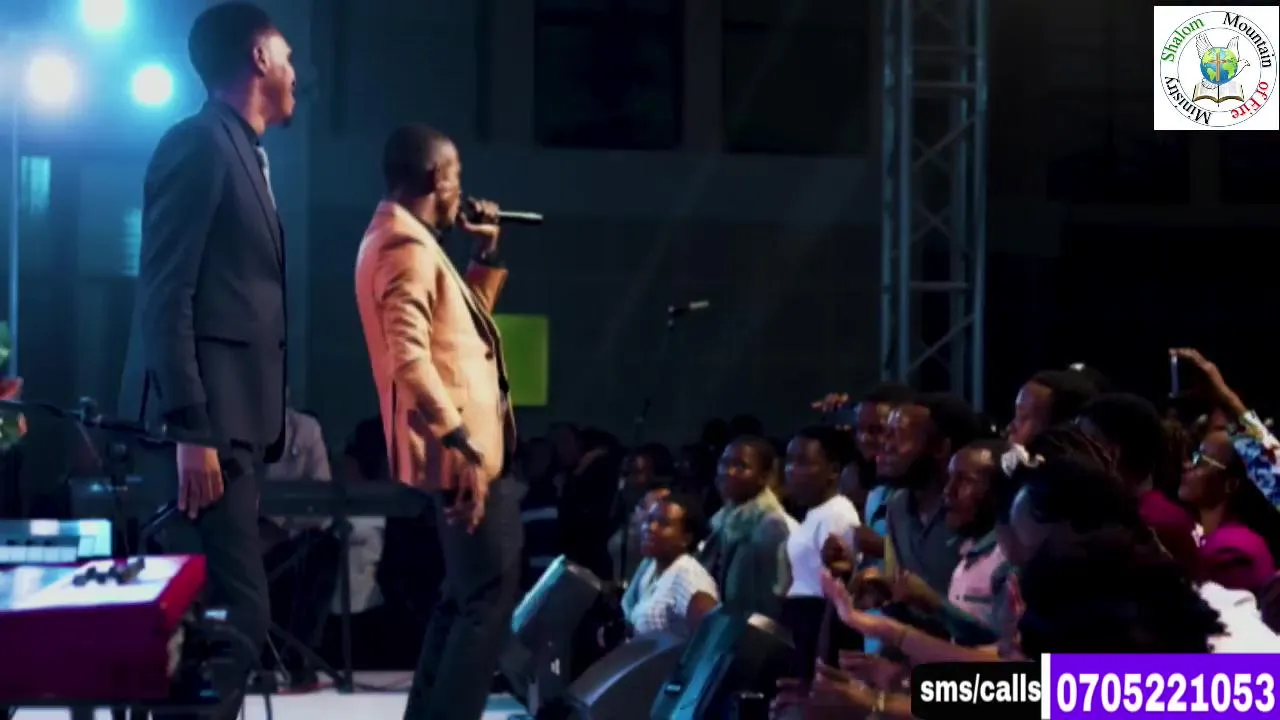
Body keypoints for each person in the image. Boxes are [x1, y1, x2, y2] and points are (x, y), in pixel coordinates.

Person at [116, 4, 295, 717]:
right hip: (202, 428)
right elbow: (166, 291)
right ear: (258, 57)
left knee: (216, 621)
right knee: (229, 618)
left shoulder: (240, 149)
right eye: (286, 56)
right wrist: (190, 426)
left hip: (233, 428)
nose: (295, 72)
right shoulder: (198, 143)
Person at [354, 124, 519, 720]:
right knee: (485, 598)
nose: (462, 192)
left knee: (463, 595)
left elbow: (458, 337)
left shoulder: (406, 239)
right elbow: (410, 357)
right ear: (435, 178)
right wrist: (461, 441)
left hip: (456, 447)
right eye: (456, 177)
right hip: (461, 454)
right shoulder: (404, 244)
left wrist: (484, 257)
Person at [701, 435, 795, 620]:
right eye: (724, 463)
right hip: (723, 623)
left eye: (740, 466)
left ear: (764, 477)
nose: (728, 472)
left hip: (748, 630)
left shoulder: (771, 527)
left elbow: (770, 601)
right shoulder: (722, 521)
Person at [1180, 429, 1279, 592]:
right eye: (1194, 456)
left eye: (1201, 461)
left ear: (1230, 484)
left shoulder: (1230, 552)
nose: (1187, 466)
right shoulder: (1226, 537)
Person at [620, 493, 719, 637]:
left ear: (686, 538)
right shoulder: (652, 566)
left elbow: (711, 637)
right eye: (650, 520)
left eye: (663, 523)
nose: (651, 527)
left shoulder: (689, 577)